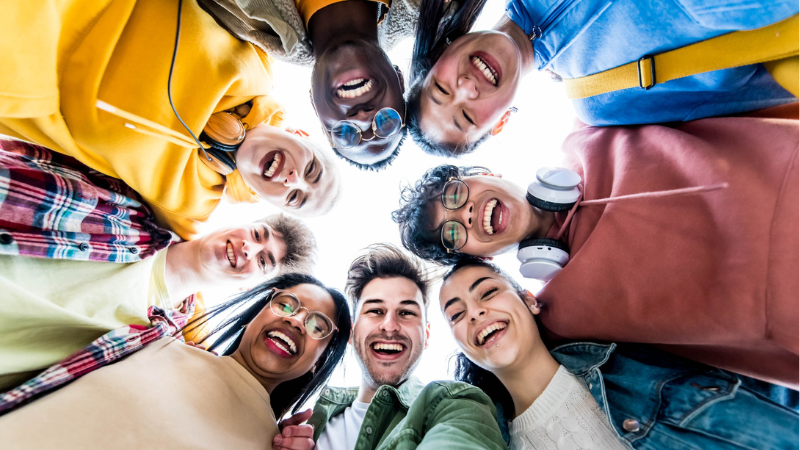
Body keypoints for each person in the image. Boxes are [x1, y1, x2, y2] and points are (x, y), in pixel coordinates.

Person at [393, 104, 799, 388]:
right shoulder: (563, 318)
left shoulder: (589, 126)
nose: (464, 215)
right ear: (481, 257)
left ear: (488, 173)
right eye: (452, 234)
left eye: (455, 195)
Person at [0, 0, 341, 240]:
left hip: (15, 74)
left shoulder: (192, 206)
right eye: (311, 170)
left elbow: (177, 271)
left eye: (295, 198)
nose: (293, 180)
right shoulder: (260, 59)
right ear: (301, 133)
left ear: (268, 200)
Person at [0, 139, 317, 390]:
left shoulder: (164, 347)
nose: (249, 248)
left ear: (249, 288)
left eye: (263, 261)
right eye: (258, 234)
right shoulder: (125, 207)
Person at [440, 259, 799, 450]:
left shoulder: (641, 363)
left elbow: (769, 392)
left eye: (487, 292)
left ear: (529, 300)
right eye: (456, 314)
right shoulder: (490, 444)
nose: (475, 312)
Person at [0, 274, 352, 450]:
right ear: (255, 314)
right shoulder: (152, 339)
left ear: (318, 363)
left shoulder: (272, 445)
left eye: (317, 326)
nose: (295, 321)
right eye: (286, 305)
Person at [405, 0, 798, 155]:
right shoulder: (601, 100)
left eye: (441, 88)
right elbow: (756, 86)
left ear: (442, 51)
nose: (466, 88)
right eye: (467, 116)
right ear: (501, 123)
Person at [306, 243, 506, 449]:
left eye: (406, 313)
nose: (390, 326)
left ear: (426, 336)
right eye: (375, 311)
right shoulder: (308, 424)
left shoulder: (455, 405)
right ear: (351, 330)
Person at [196, 0, 419, 170]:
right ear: (400, 80)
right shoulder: (423, 7)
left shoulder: (245, 23)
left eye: (345, 133)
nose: (361, 117)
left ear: (313, 103)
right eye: (386, 121)